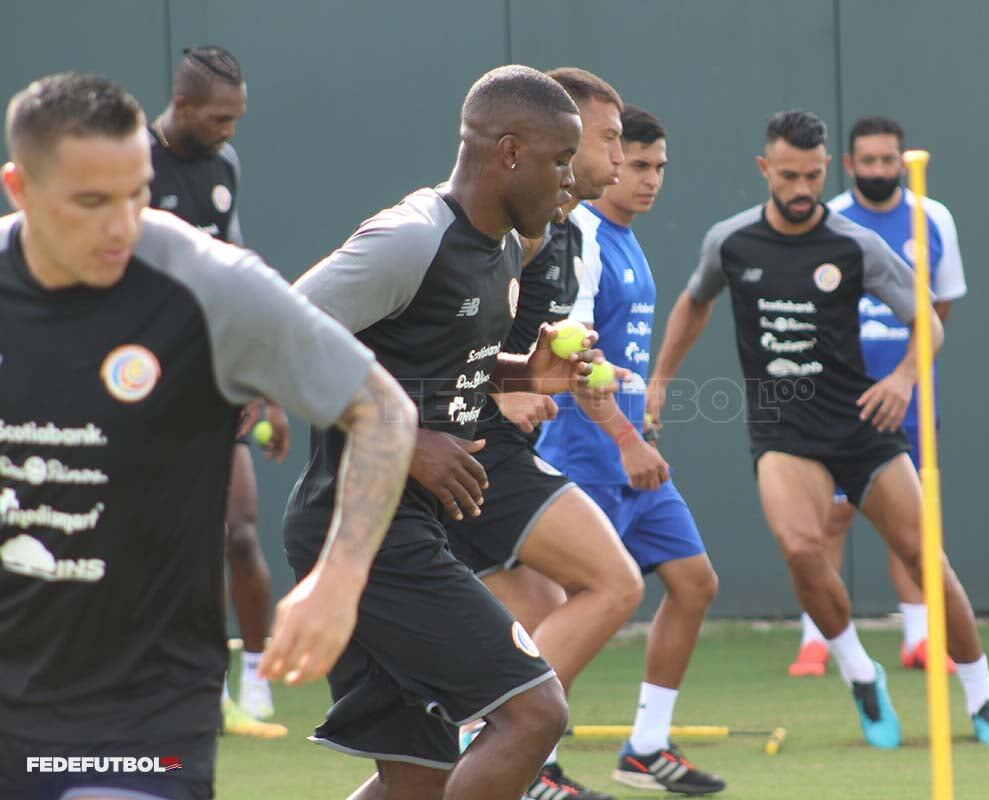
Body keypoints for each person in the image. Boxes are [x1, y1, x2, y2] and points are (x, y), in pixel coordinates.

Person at [0, 71, 416, 800]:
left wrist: (339, 579)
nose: (123, 225)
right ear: (20, 189)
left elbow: (385, 411)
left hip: (139, 710)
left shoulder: (210, 285)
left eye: (136, 193)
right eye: (92, 202)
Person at [648, 109, 989, 749]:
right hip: (782, 430)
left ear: (826, 171)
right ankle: (859, 672)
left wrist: (902, 379)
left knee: (925, 560)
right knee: (800, 547)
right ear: (765, 169)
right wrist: (660, 380)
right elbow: (694, 301)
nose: (801, 189)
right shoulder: (730, 242)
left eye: (812, 176)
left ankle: (982, 696)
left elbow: (927, 322)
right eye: (788, 175)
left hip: (862, 427)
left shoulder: (855, 244)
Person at [285, 65, 605, 800]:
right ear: (512, 153)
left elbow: (444, 364)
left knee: (416, 780)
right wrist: (404, 438)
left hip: (406, 527)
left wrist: (527, 373)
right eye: (562, 161)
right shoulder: (412, 237)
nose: (571, 181)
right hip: (361, 529)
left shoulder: (502, 250)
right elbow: (283, 336)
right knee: (533, 713)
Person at [443, 67, 643, 800]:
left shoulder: (570, 237)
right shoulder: (510, 232)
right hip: (467, 451)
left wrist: (544, 371)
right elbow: (446, 343)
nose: (619, 159)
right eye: (611, 141)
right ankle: (483, 743)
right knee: (616, 583)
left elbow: (511, 354)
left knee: (549, 618)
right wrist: (509, 385)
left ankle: (494, 759)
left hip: (487, 451)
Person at [538, 103, 727, 794]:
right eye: (632, 160)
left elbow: (620, 355)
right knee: (572, 614)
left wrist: (643, 414)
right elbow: (573, 359)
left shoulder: (627, 237)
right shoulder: (581, 235)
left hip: (632, 452)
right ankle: (532, 762)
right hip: (587, 457)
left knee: (694, 582)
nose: (645, 177)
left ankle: (645, 749)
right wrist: (622, 441)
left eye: (657, 167)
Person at [787, 115, 965, 678]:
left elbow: (939, 308)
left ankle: (918, 638)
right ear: (849, 164)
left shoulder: (933, 217)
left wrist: (908, 372)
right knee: (830, 518)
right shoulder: (831, 219)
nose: (881, 171)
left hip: (909, 396)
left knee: (909, 523)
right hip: (840, 399)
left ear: (902, 157)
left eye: (890, 160)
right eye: (869, 161)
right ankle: (817, 639)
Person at [148, 44, 285, 726]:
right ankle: (187, 684)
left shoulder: (224, 164)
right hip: (139, 391)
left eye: (238, 117)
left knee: (236, 533)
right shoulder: (132, 164)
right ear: (182, 108)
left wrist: (264, 386)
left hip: (214, 382)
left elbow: (238, 273)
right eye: (220, 117)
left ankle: (252, 683)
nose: (231, 130)